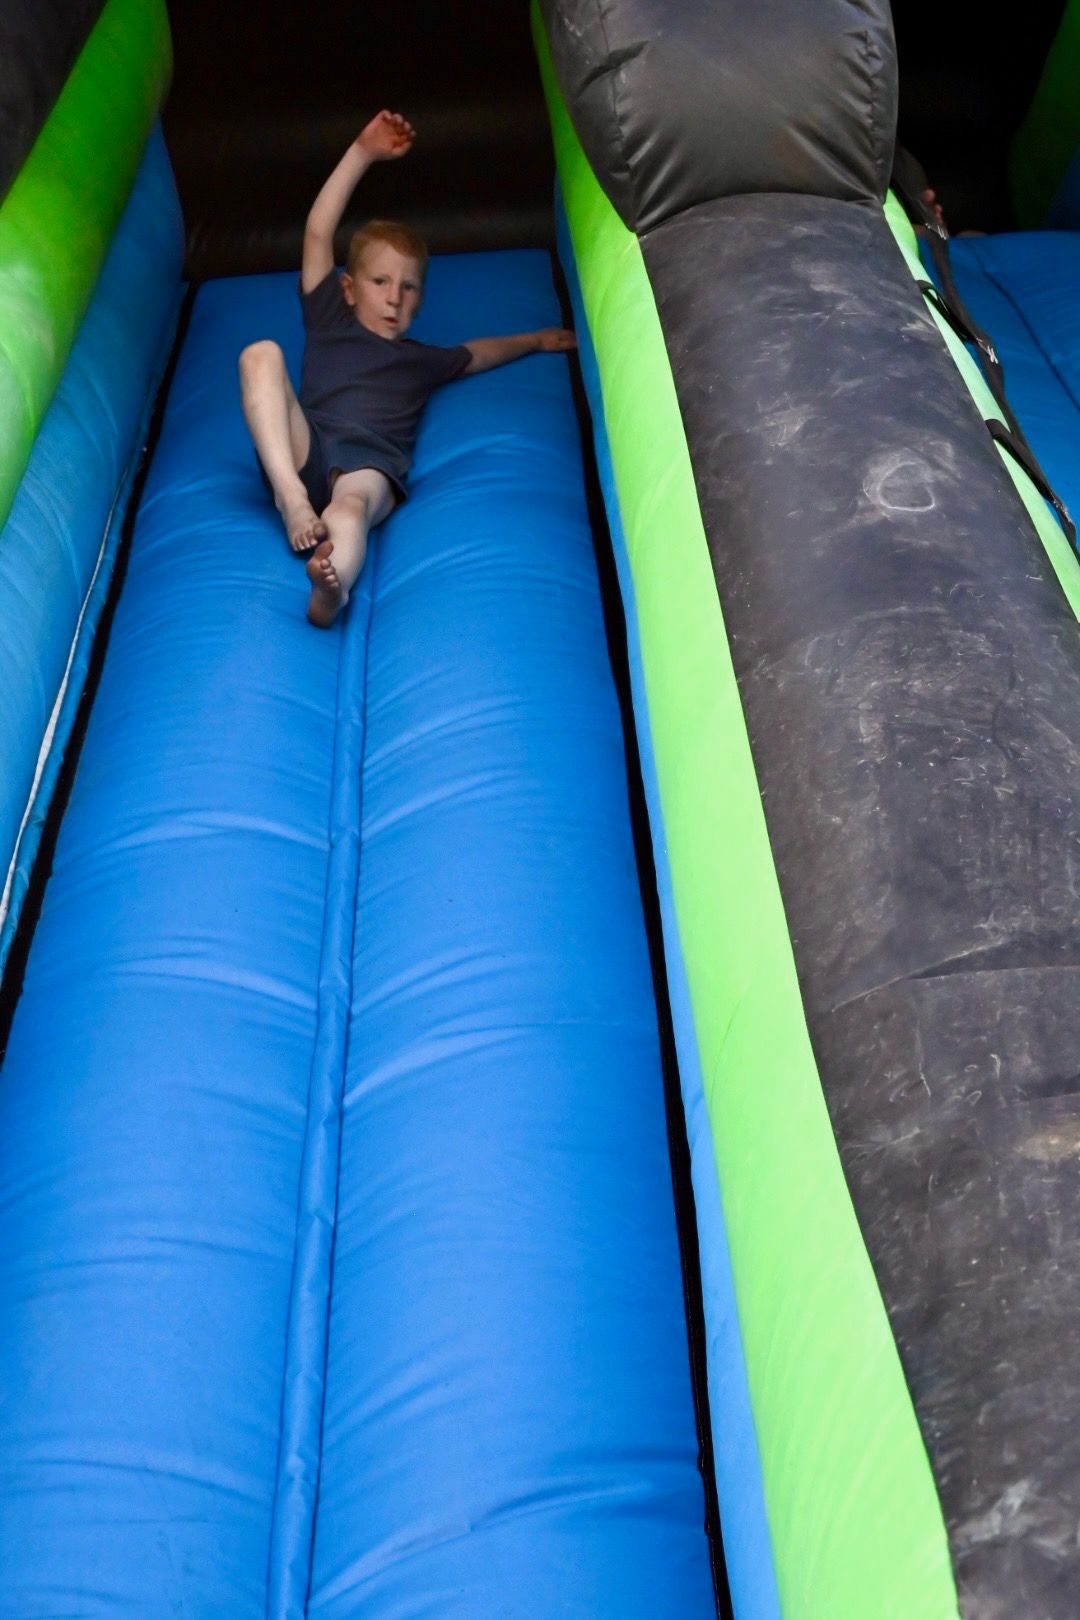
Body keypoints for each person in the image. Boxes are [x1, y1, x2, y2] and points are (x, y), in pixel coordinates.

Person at [239, 110, 576, 627]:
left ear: (420, 300)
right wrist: (362, 151)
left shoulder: (421, 360)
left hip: (370, 466)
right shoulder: (329, 317)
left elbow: (479, 353)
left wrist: (534, 339)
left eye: (409, 287)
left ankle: (334, 585)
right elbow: (317, 232)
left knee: (350, 513)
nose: (394, 299)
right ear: (349, 289)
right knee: (260, 353)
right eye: (380, 282)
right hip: (308, 450)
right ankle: (290, 498)